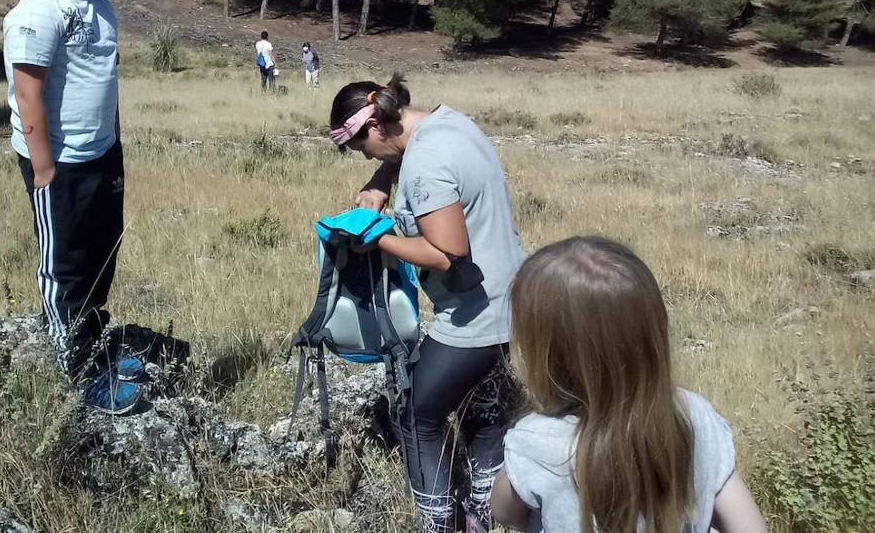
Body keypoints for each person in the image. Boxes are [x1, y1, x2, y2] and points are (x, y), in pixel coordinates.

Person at [329, 73, 526, 532]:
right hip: (512, 298)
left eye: (362, 148)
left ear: (376, 126)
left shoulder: (425, 163)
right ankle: (485, 510)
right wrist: (381, 178)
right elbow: (407, 154)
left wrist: (376, 238)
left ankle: (441, 522)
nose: (366, 156)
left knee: (415, 413)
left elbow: (448, 253)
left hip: (474, 316)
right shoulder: (446, 122)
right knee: (487, 408)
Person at [491, 236, 769, 533]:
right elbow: (749, 526)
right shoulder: (692, 415)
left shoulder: (538, 440)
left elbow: (504, 511)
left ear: (546, 355)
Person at [2, 0, 150, 414]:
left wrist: (112, 141)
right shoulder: (36, 14)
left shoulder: (98, 6)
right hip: (59, 163)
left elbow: (102, 82)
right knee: (64, 263)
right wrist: (45, 170)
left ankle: (93, 342)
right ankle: (74, 369)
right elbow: (29, 97)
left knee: (100, 251)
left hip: (102, 154)